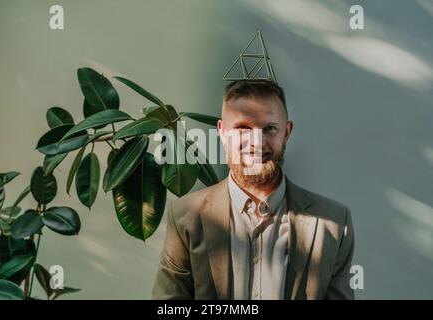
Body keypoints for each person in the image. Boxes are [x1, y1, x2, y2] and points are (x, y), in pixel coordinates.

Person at [152, 79, 355, 300]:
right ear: (221, 131)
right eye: (242, 128)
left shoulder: (334, 223)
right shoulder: (185, 217)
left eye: (269, 129)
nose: (256, 143)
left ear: (286, 132)